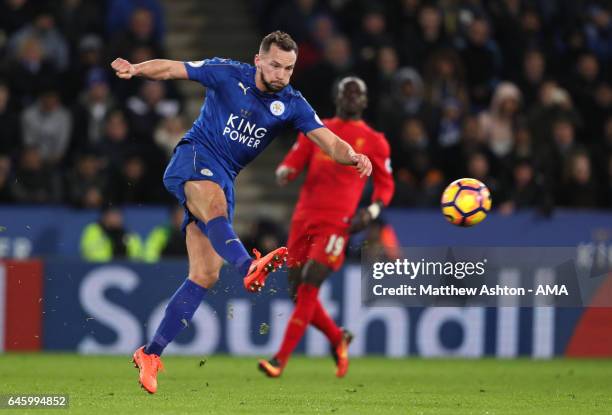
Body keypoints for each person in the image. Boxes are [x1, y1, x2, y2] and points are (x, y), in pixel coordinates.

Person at [111, 31, 372, 393]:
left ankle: (150, 353)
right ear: (258, 60)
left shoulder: (292, 103)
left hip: (225, 178)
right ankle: (247, 264)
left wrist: (354, 157)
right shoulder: (226, 73)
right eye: (276, 65)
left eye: (289, 68)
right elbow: (173, 68)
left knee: (204, 274)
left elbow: (328, 140)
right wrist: (137, 69)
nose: (281, 74)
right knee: (215, 206)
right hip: (195, 156)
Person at [258, 77, 393, 378]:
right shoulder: (317, 128)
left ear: (365, 101)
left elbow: (386, 186)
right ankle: (337, 338)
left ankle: (280, 359)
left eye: (357, 94)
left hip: (337, 223)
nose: (351, 98)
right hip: (303, 218)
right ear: (337, 97)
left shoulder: (375, 141)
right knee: (297, 291)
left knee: (310, 281)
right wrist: (284, 172)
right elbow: (292, 163)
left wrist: (371, 212)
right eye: (346, 93)